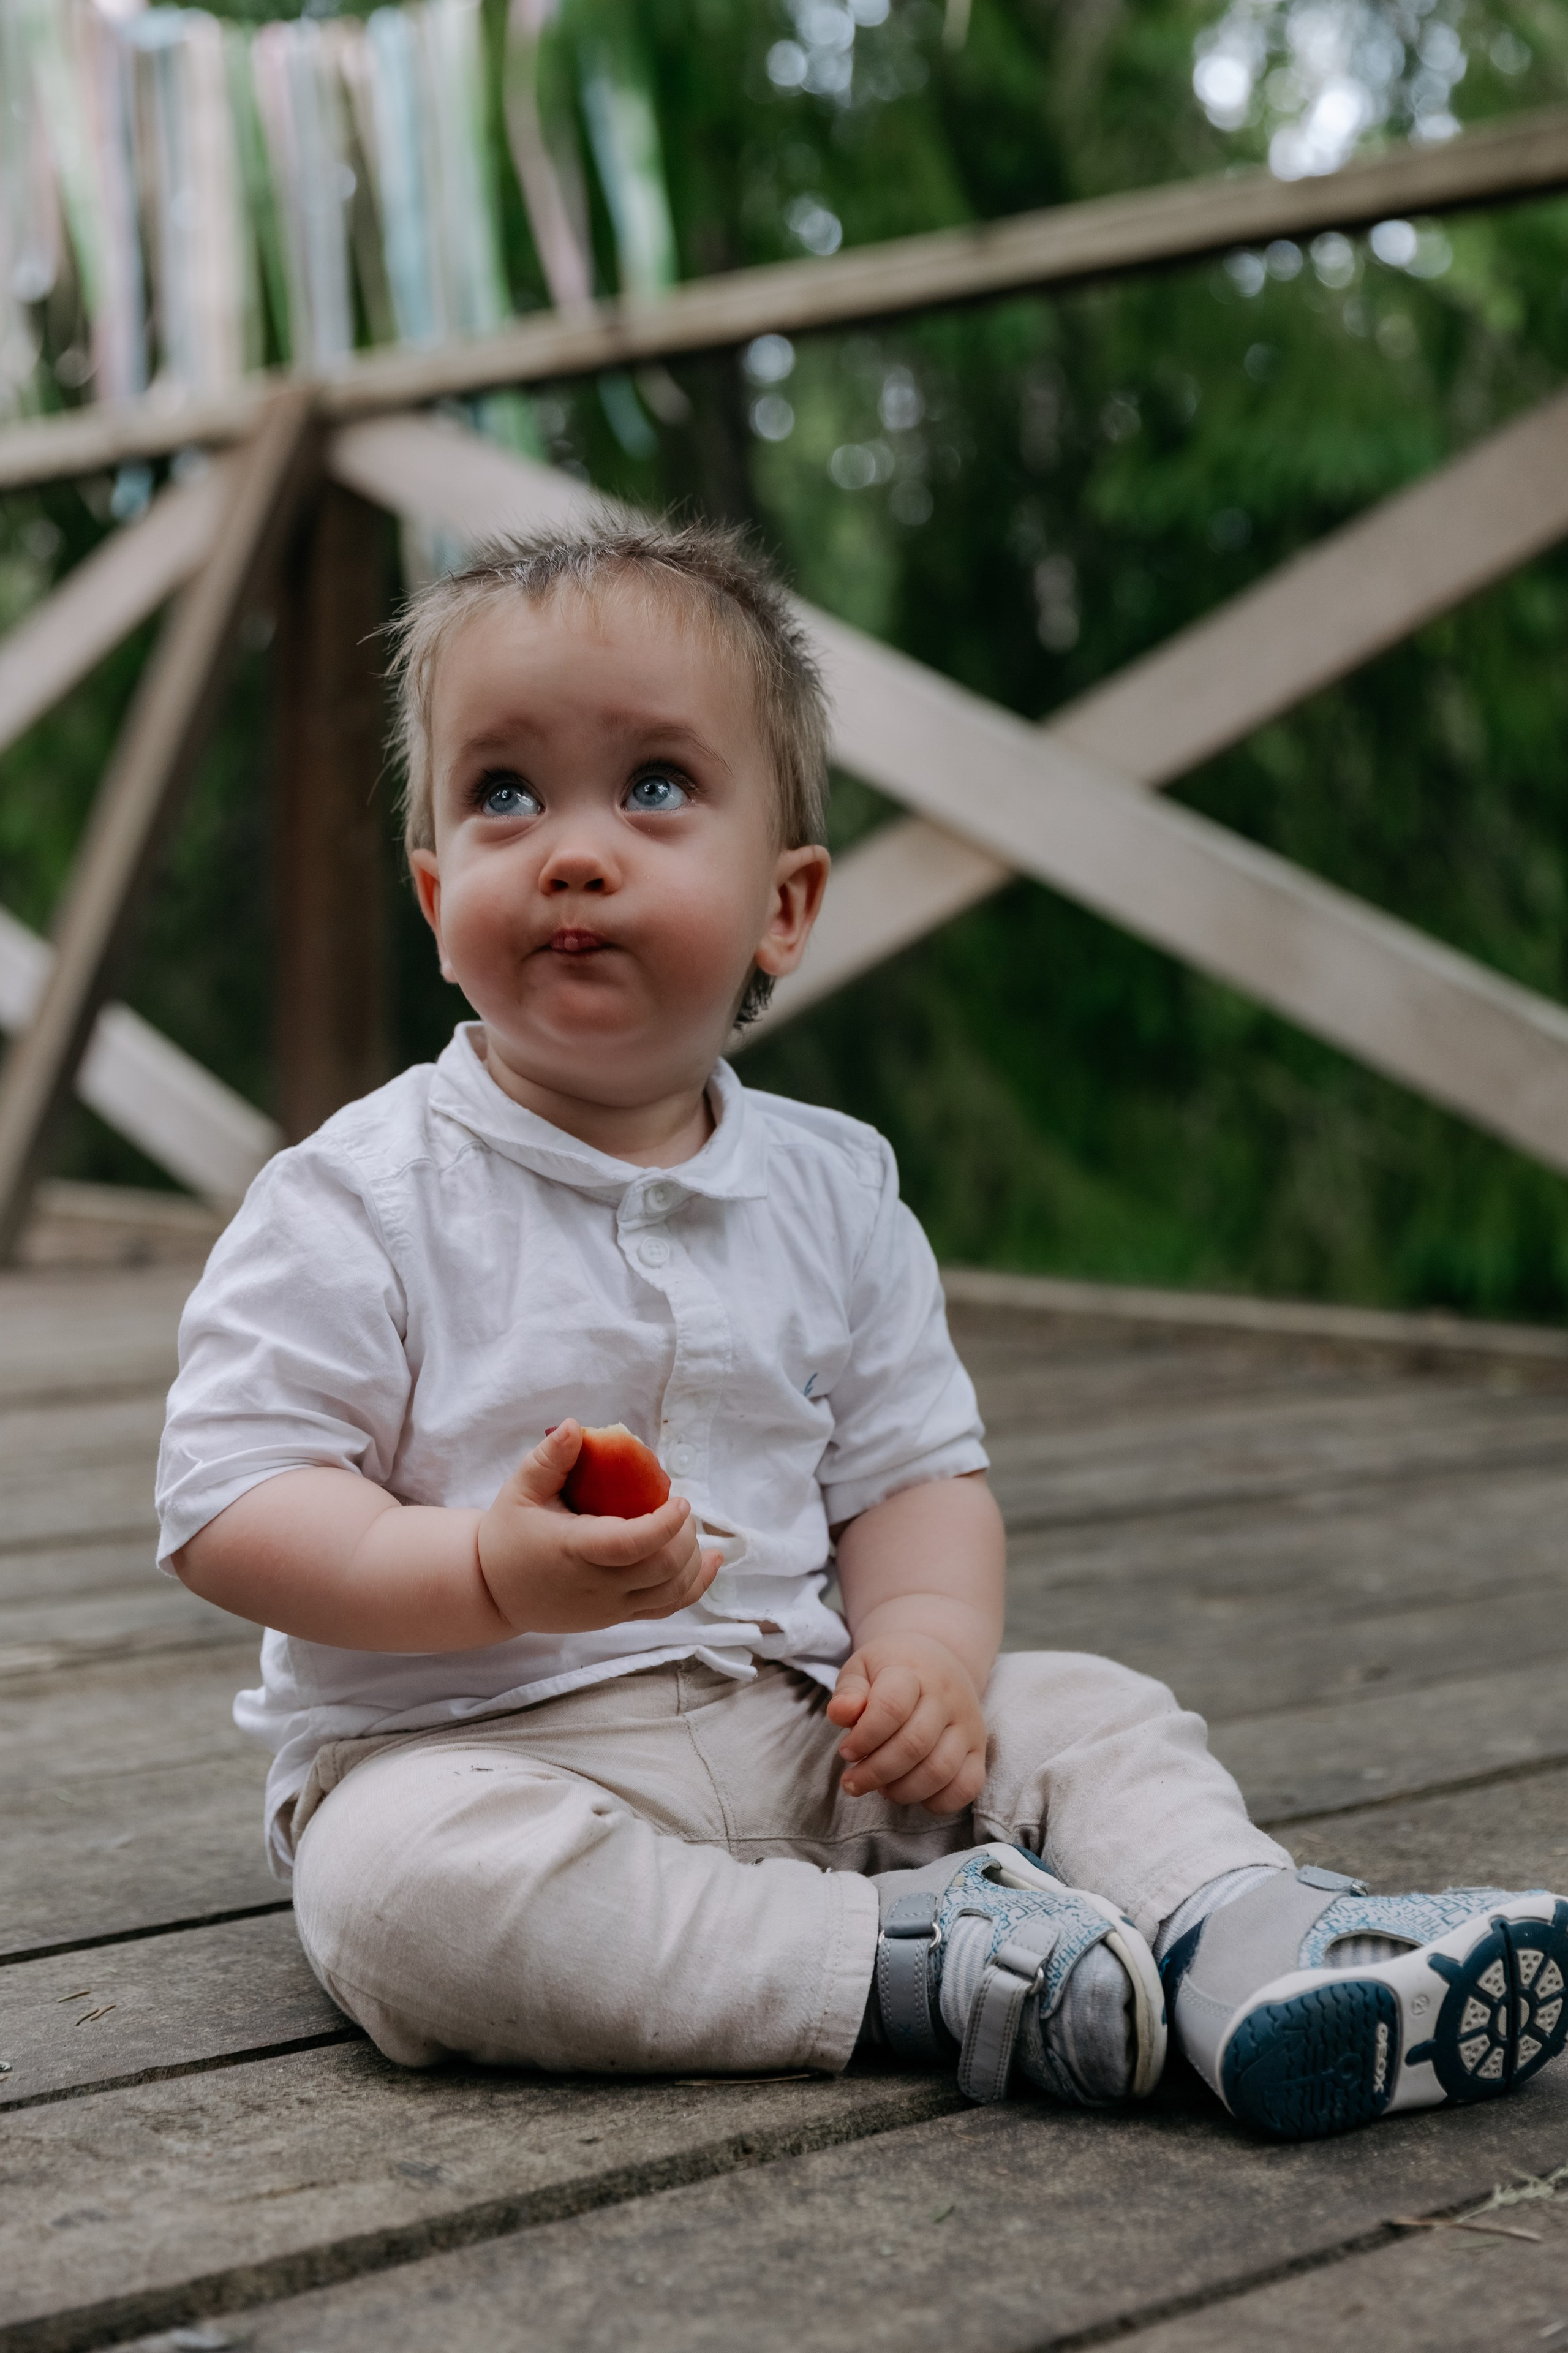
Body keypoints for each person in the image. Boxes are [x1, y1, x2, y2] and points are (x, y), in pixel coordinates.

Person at [158, 518, 1568, 2141]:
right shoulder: (358, 1192)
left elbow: (919, 1482)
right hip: (485, 1756)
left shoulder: (834, 1189)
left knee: (1083, 1704)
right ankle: (903, 1964)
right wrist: (486, 1570)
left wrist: (926, 1657)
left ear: (787, 903)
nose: (573, 848)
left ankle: (1244, 1939)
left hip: (805, 1738)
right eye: (502, 794)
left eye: (658, 786)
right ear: (433, 892)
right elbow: (234, 1501)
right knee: (395, 1894)